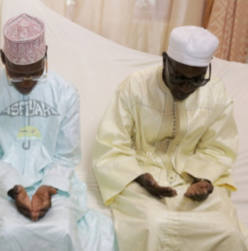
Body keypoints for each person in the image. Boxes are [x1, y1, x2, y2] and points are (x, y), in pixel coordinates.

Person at [0, 14, 114, 250]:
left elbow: (66, 155)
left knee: (61, 230)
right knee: (8, 232)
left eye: (35, 73)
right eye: (16, 73)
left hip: (55, 182)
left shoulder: (65, 92)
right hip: (0, 185)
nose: (26, 82)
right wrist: (14, 188)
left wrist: (48, 187)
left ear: (46, 55)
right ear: (2, 58)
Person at [93, 26, 248, 250]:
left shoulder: (216, 93)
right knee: (154, 225)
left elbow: (219, 148)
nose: (186, 88)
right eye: (179, 78)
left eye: (197, 80)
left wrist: (203, 180)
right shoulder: (135, 86)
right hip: (140, 177)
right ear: (165, 60)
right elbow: (111, 143)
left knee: (227, 230)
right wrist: (142, 177)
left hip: (194, 177)